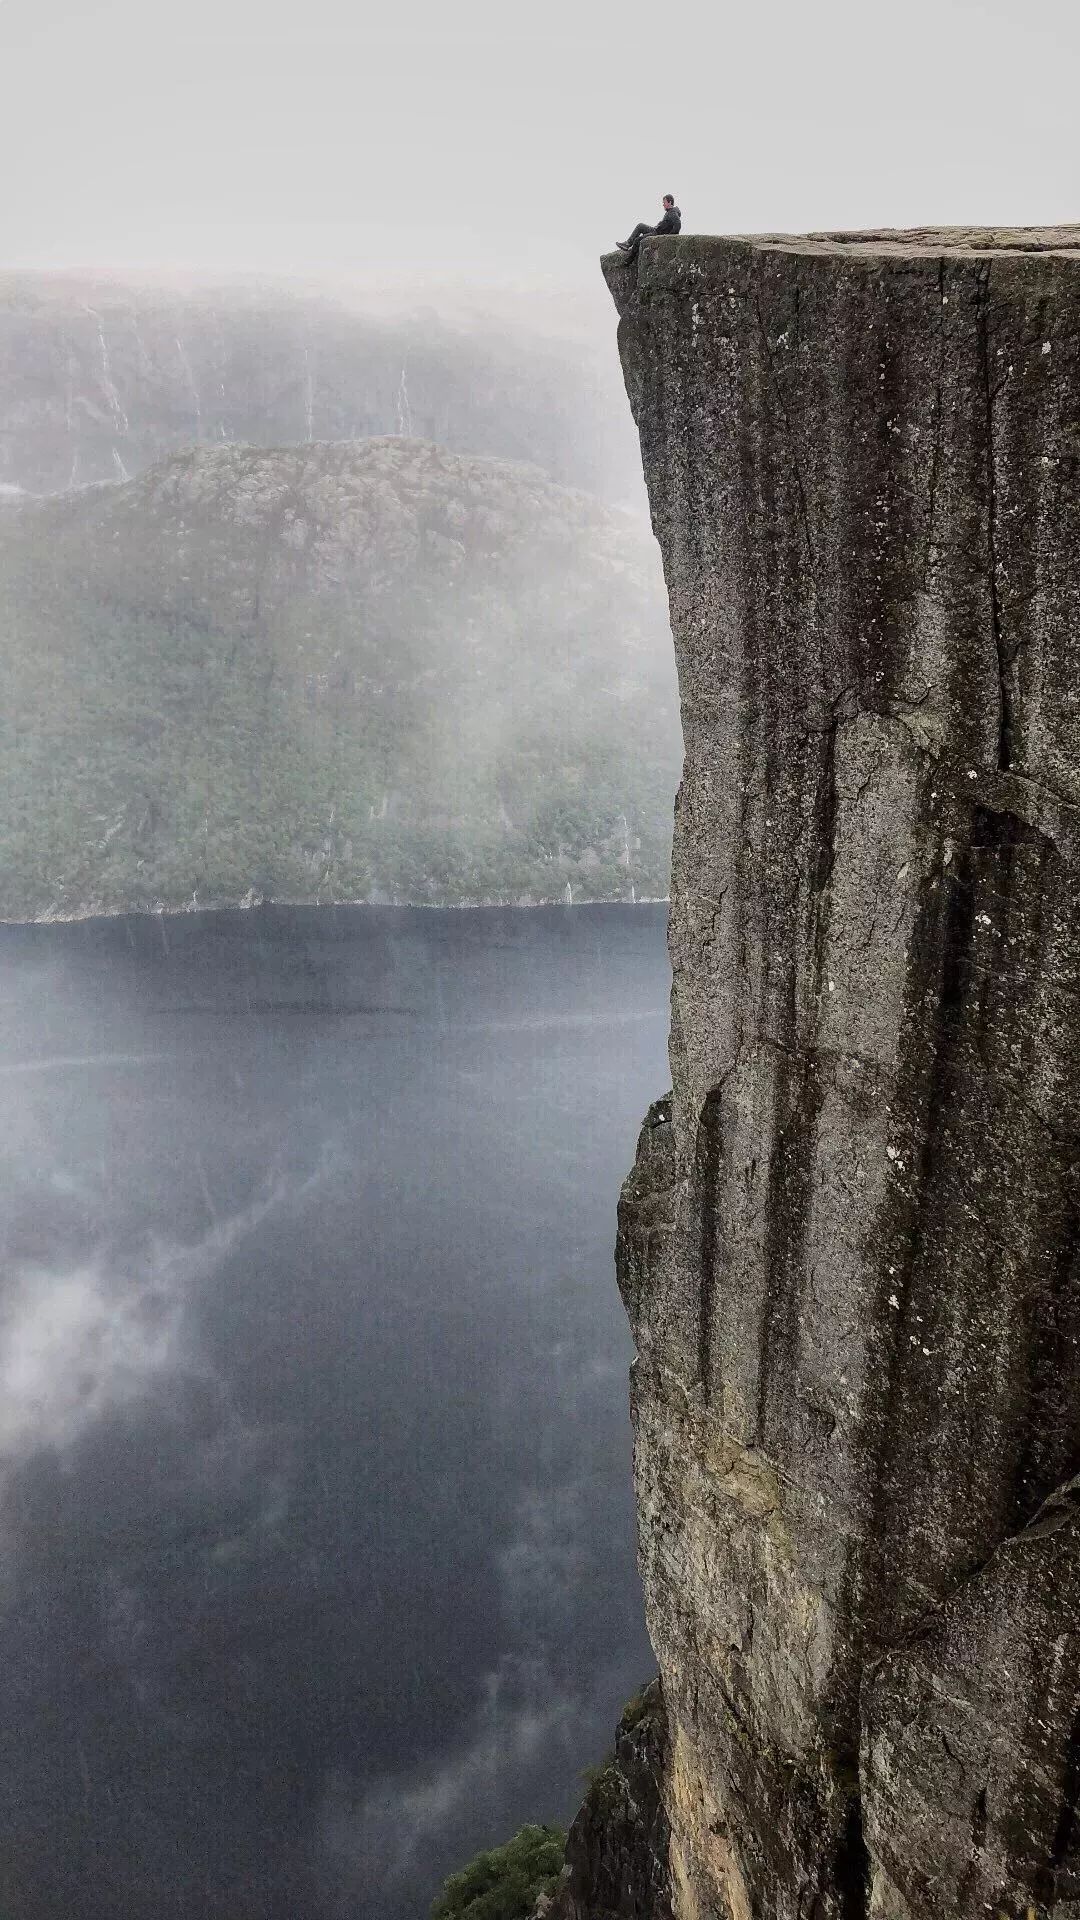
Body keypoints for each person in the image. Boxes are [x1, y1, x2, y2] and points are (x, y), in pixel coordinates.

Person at [615, 195, 682, 263]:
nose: (663, 205)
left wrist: (669, 237)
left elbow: (678, 225)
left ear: (670, 202)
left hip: (657, 234)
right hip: (655, 230)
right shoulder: (669, 212)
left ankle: (630, 259)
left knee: (638, 240)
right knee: (640, 226)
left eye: (664, 202)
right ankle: (628, 243)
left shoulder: (673, 213)